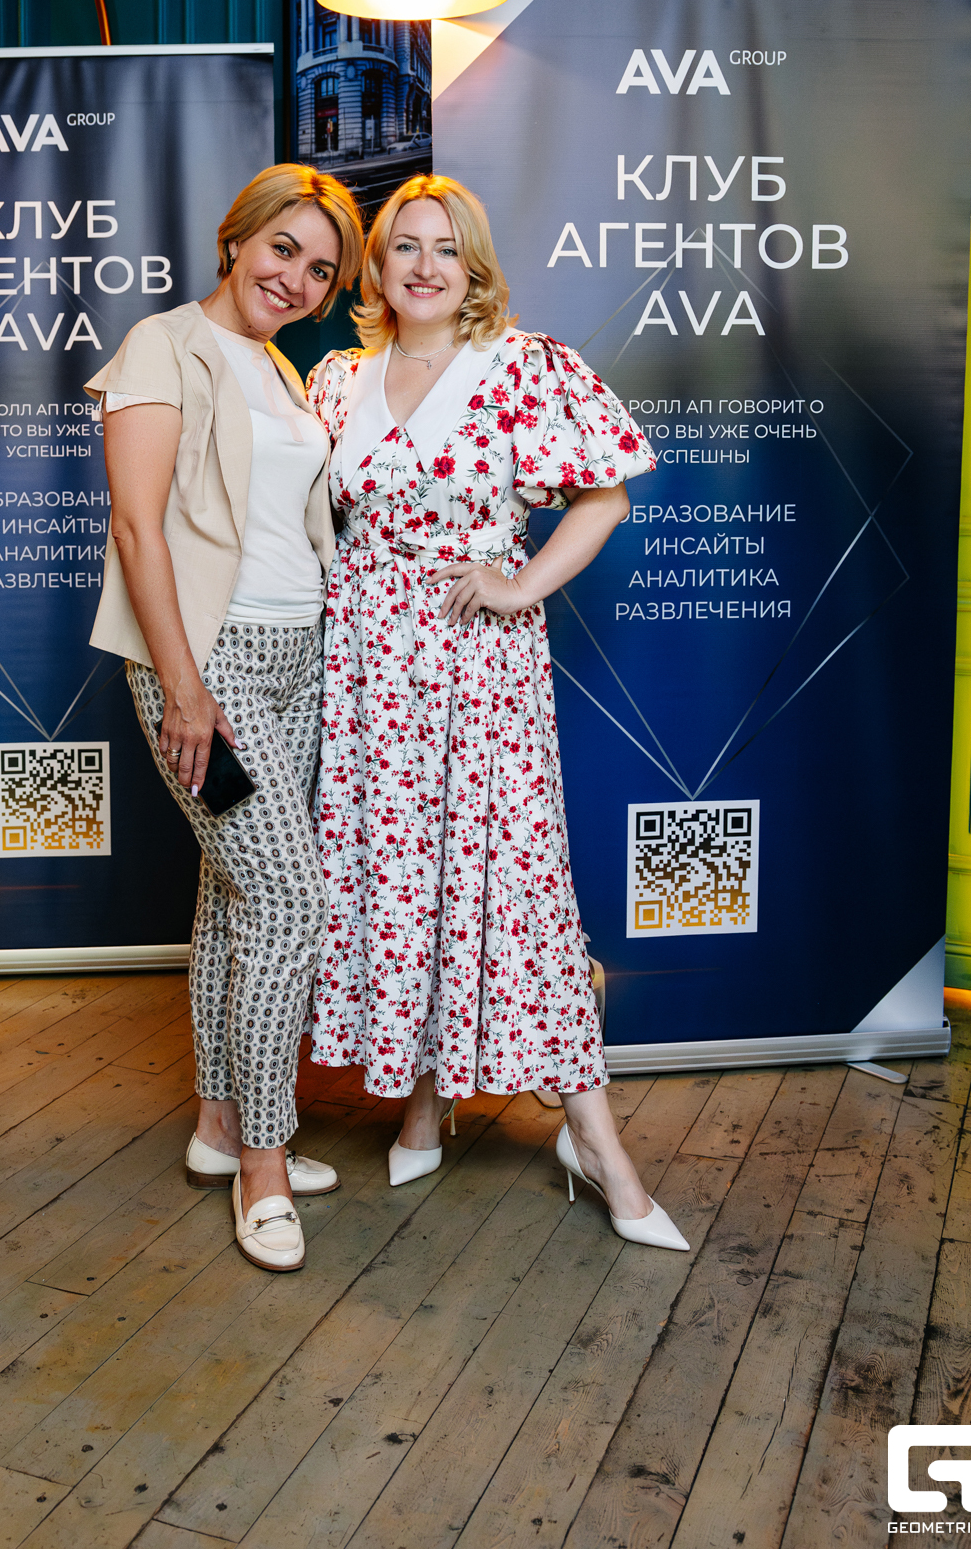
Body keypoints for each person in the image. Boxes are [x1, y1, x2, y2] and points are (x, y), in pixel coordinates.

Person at [306, 174, 688, 1251]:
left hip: (478, 669)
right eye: (403, 247)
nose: (424, 266)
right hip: (366, 674)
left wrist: (520, 585)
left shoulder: (520, 367)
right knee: (406, 884)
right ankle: (424, 1102)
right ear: (376, 268)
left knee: (511, 889)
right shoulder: (337, 379)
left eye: (446, 248)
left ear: (472, 267)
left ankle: (597, 1145)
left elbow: (605, 495)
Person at [86, 163, 364, 1273]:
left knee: (232, 892)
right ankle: (263, 1163)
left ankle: (215, 1125)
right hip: (212, 667)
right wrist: (185, 687)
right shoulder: (163, 344)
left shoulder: (280, 368)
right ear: (236, 238)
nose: (295, 279)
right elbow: (137, 527)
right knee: (290, 899)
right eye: (282, 249)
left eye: (320, 269)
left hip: (298, 661)